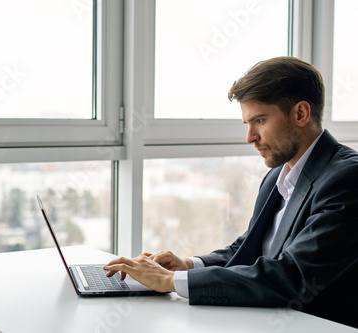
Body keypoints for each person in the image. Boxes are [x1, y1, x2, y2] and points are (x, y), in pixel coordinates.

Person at [104, 56, 358, 328]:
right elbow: (249, 248)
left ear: (300, 114)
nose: (250, 137)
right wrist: (189, 265)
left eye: (259, 120)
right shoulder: (277, 176)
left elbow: (293, 275)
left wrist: (170, 281)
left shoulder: (347, 178)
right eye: (247, 124)